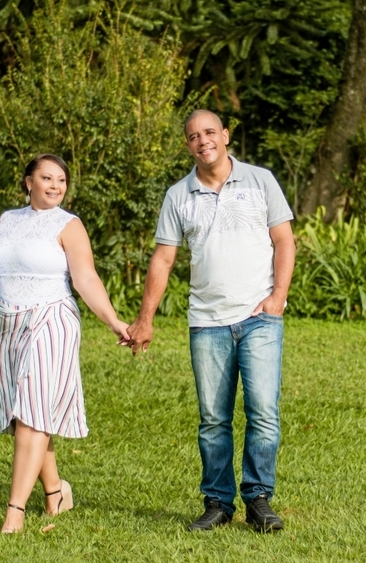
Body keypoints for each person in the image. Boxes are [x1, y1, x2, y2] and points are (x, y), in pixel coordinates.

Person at [126, 110, 296, 532]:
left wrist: (278, 297)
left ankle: (258, 499)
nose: (203, 141)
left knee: (263, 413)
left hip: (259, 318)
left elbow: (284, 240)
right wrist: (145, 319)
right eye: (193, 136)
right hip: (207, 322)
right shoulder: (178, 196)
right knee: (214, 420)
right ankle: (218, 503)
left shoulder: (261, 180)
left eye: (209, 132)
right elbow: (163, 260)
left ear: (225, 135)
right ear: (188, 146)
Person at [0, 154, 130, 534]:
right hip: (6, 325)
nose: (55, 186)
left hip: (51, 320)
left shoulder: (69, 225)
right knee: (23, 417)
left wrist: (113, 320)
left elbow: (86, 279)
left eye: (61, 180)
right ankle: (55, 493)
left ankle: (14, 513)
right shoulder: (7, 220)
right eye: (47, 178)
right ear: (28, 181)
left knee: (33, 415)